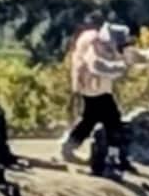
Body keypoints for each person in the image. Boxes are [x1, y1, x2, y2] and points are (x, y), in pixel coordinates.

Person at [57, 18, 136, 174]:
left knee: (90, 120)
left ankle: (69, 147)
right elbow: (98, 67)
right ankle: (116, 157)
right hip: (94, 89)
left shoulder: (96, 41)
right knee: (113, 121)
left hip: (94, 89)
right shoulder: (95, 44)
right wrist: (121, 68)